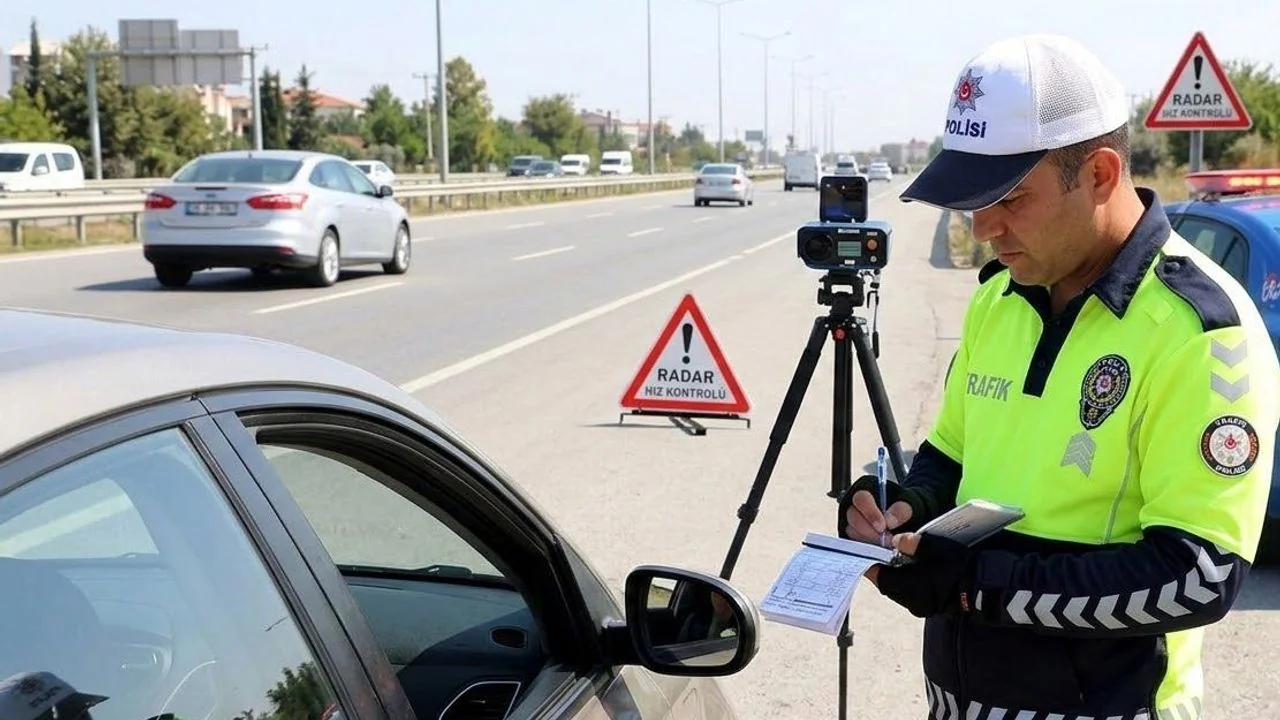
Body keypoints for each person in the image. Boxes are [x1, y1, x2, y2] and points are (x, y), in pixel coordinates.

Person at [839, 33, 1279, 719]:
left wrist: (974, 586)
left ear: (1100, 174)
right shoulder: (997, 298)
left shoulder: (1203, 334)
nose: (983, 228)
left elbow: (1198, 576)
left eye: (1011, 199)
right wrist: (902, 507)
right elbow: (951, 457)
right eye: (972, 200)